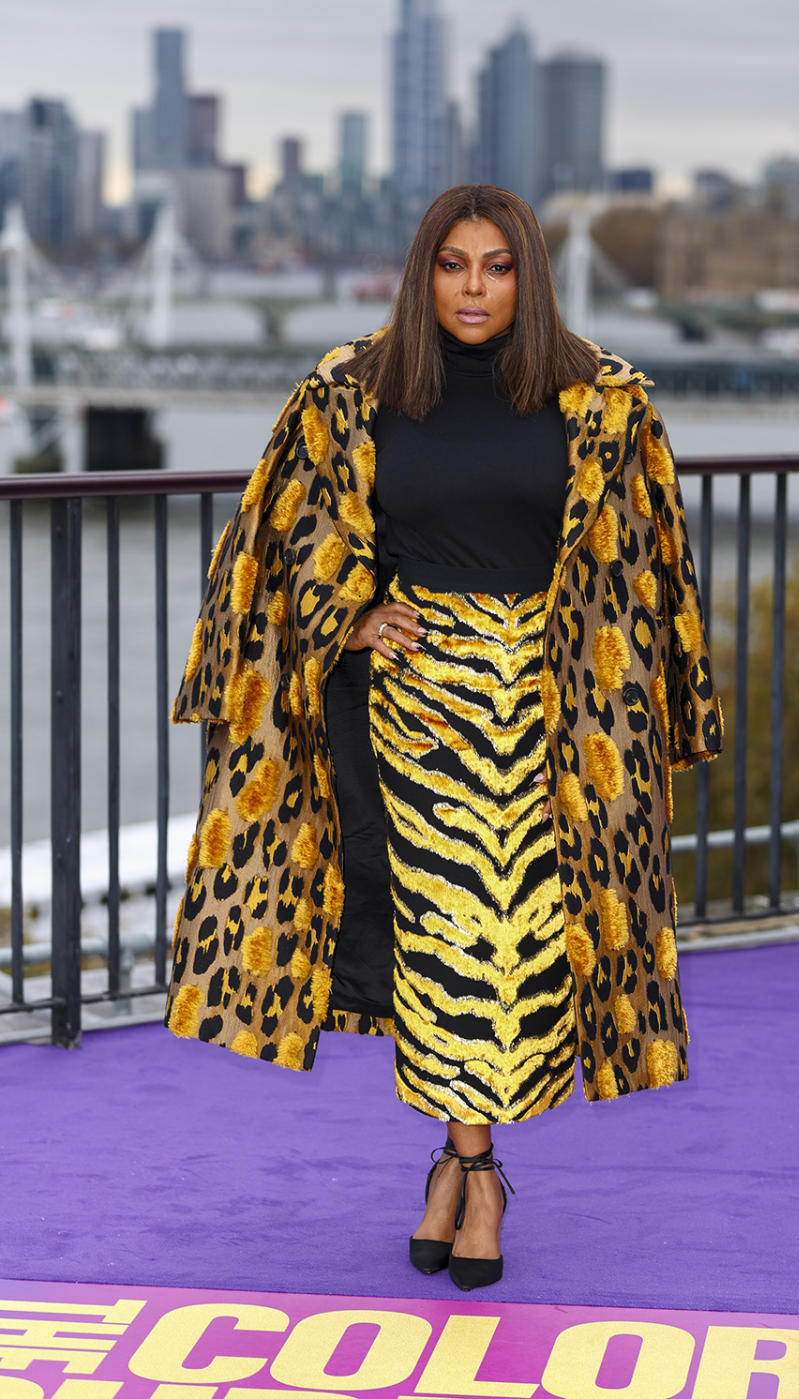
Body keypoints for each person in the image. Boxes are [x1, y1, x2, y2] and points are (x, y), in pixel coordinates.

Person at [165, 184, 723, 1292]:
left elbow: (656, 575)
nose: (475, 289)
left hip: (559, 716)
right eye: (454, 265)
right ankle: (474, 1180)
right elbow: (272, 542)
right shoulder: (352, 391)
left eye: (498, 267)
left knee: (522, 954)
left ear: (529, 276)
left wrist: (656, 725)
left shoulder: (602, 400)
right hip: (414, 709)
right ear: (424, 275)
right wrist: (348, 613)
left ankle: (466, 1168)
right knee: (446, 945)